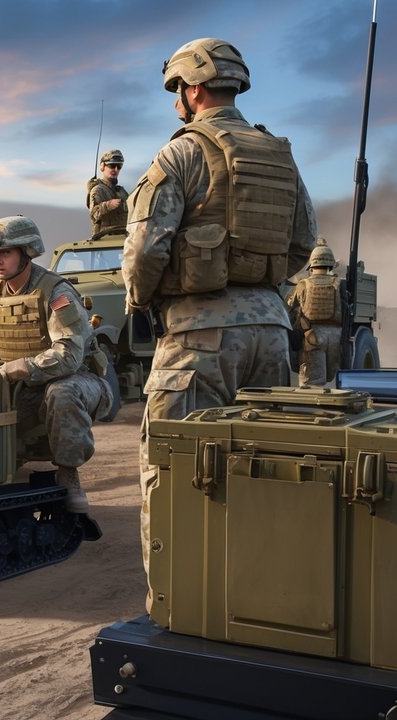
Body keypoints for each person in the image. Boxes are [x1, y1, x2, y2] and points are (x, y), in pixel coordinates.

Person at [122, 38, 317, 601]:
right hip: (272, 335)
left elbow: (143, 249)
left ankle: (177, 606)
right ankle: (262, 600)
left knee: (174, 471)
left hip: (197, 338)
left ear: (193, 89)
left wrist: (147, 301)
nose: (176, 104)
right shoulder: (280, 154)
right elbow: (303, 241)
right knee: (263, 469)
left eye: (177, 93)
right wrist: (262, 292)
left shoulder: (179, 154)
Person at [0, 215, 112, 513]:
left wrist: (25, 366)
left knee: (61, 393)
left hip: (78, 383)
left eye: (5, 253)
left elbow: (69, 356)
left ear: (26, 252)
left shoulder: (56, 293)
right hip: (22, 388)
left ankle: (67, 473)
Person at [286, 238, 344, 387]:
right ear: (330, 264)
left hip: (312, 336)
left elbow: (290, 308)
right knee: (337, 384)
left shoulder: (303, 284)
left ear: (312, 265)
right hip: (336, 337)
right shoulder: (339, 283)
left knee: (311, 384)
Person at [88, 149, 129, 236]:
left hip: (123, 238)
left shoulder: (121, 191)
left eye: (119, 166)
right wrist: (107, 205)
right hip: (105, 240)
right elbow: (94, 215)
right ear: (102, 166)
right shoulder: (98, 190)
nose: (116, 169)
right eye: (112, 165)